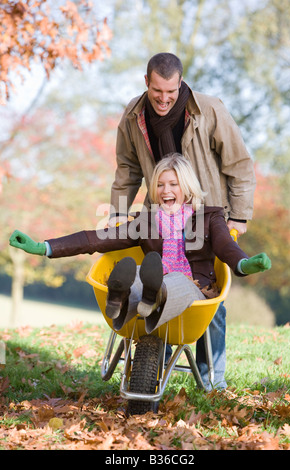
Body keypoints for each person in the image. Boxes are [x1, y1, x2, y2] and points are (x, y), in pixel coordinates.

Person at [9, 154, 270, 389]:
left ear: (187, 187)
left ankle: (145, 298)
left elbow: (225, 245)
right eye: (159, 184)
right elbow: (98, 238)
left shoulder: (209, 217)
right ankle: (122, 295)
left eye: (173, 184)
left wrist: (243, 264)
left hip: (193, 287)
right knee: (135, 272)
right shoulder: (146, 221)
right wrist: (45, 247)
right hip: (152, 282)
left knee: (174, 283)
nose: (165, 190)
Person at [109, 52, 257, 388]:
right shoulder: (134, 116)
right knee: (155, 284)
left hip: (206, 219)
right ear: (147, 82)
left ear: (181, 83)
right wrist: (118, 213)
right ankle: (151, 365)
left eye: (171, 93)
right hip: (161, 217)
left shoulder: (209, 110)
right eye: (157, 91)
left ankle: (211, 380)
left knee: (211, 300)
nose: (163, 99)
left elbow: (240, 164)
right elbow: (127, 170)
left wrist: (239, 216)